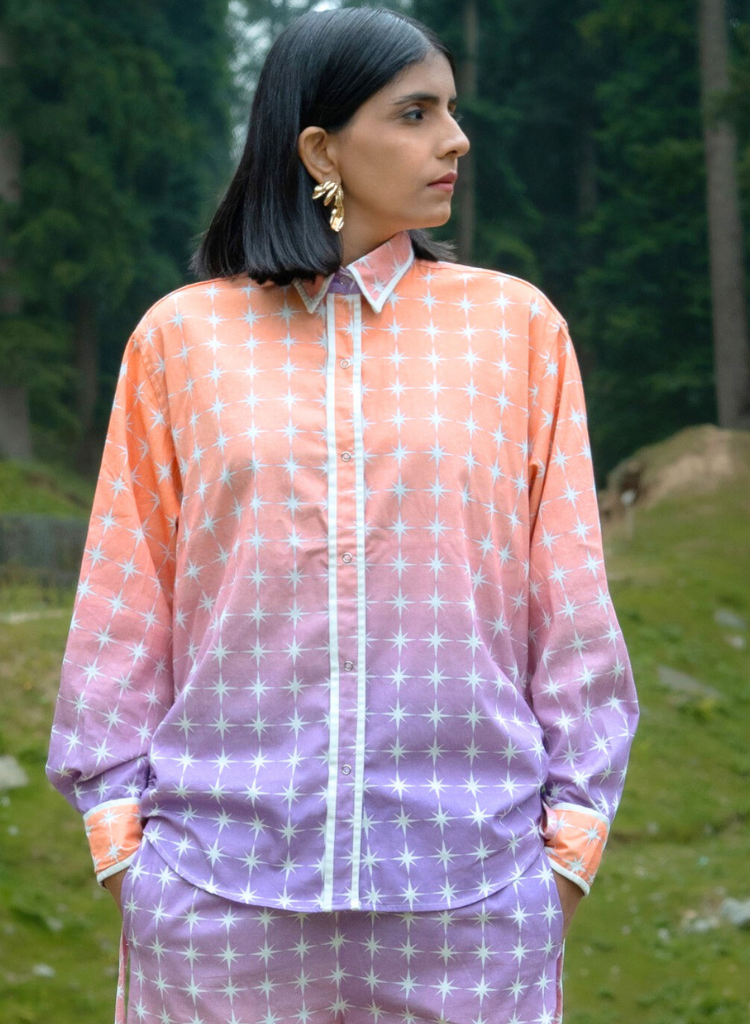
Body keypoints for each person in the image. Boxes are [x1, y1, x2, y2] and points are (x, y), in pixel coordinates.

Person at [45, 7, 639, 1023]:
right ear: (321, 149)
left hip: (473, 904)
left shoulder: (516, 330)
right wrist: (126, 862)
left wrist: (564, 865)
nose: (455, 139)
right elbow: (120, 614)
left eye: (451, 109)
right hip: (216, 903)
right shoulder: (181, 341)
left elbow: (573, 608)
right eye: (415, 113)